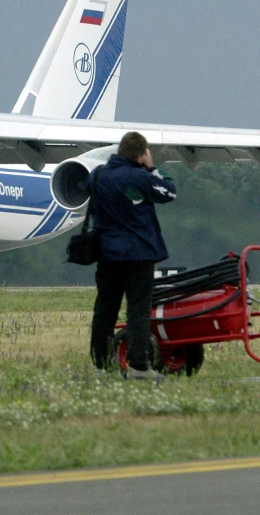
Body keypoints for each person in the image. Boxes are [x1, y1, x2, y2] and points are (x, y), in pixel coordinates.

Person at [88, 131, 176, 378]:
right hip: (138, 256)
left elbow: (87, 190)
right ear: (141, 154)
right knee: (138, 311)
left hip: (107, 255)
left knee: (104, 311)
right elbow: (169, 192)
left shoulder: (98, 176)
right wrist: (152, 168)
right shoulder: (141, 177)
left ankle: (101, 366)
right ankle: (138, 365)